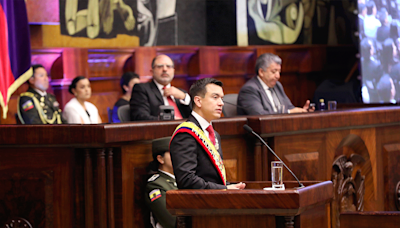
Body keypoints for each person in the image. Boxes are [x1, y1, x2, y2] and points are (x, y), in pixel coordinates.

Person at [169, 78, 246, 190]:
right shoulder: (186, 134)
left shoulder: (214, 134)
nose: (221, 103)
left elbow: (212, 178)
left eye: (222, 98)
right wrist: (224, 189)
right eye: (215, 97)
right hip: (198, 204)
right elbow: (186, 180)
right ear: (198, 101)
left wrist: (229, 186)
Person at [237, 53, 314, 115]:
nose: (278, 76)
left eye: (279, 72)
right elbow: (259, 115)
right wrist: (289, 113)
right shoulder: (249, 90)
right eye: (274, 72)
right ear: (261, 72)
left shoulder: (277, 85)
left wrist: (302, 112)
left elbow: (289, 107)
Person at [130, 54, 191, 121]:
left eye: (168, 66)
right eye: (160, 66)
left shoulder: (181, 93)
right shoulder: (142, 89)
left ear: (173, 71)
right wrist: (170, 121)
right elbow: (140, 116)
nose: (165, 69)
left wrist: (184, 97)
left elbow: (196, 117)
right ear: (152, 71)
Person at [144, 136, 177, 228]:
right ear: (160, 159)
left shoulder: (187, 179)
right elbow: (171, 221)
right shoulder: (156, 185)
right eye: (173, 153)